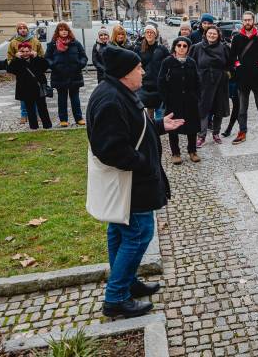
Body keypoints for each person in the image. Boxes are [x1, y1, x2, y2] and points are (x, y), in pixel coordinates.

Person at [87, 45, 184, 319]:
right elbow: (111, 148)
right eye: (138, 68)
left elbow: (132, 129)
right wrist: (142, 163)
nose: (142, 71)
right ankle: (116, 298)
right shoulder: (110, 100)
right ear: (124, 73)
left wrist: (159, 125)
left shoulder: (119, 92)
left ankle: (127, 283)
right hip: (132, 183)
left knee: (119, 232)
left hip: (131, 183)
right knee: (139, 234)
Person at [230, 11, 258, 145]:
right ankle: (242, 132)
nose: (247, 22)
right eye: (245, 20)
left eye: (249, 20)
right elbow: (232, 57)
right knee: (242, 109)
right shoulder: (237, 38)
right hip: (242, 79)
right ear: (242, 22)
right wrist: (238, 66)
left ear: (253, 21)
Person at [158, 36, 201, 164]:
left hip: (190, 100)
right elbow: (161, 81)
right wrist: (166, 98)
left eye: (184, 46)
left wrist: (196, 96)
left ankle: (192, 151)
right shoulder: (167, 62)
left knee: (192, 127)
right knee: (173, 128)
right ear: (175, 47)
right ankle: (175, 153)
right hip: (173, 100)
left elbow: (197, 81)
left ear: (188, 48)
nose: (181, 48)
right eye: (179, 45)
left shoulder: (191, 62)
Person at [190, 25, 231, 146]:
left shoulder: (223, 48)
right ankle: (201, 136)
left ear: (218, 35)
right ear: (205, 34)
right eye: (210, 33)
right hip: (203, 82)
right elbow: (191, 64)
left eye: (214, 33)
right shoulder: (197, 47)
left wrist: (227, 75)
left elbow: (230, 64)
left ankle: (216, 133)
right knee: (203, 109)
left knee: (219, 108)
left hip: (220, 82)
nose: (212, 35)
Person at [45, 22, 87, 127]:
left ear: (68, 31)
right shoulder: (53, 44)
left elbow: (83, 56)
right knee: (62, 99)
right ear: (58, 32)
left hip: (74, 75)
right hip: (60, 75)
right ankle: (63, 119)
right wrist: (54, 65)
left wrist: (80, 65)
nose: (64, 31)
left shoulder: (75, 43)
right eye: (61, 29)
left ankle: (79, 118)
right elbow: (47, 58)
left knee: (75, 99)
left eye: (65, 29)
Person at [7, 42, 52, 130]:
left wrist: (37, 57)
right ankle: (33, 126)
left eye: (27, 51)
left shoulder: (35, 59)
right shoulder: (18, 61)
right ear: (19, 52)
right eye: (23, 51)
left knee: (42, 107)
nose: (25, 53)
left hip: (38, 87)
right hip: (26, 88)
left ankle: (47, 125)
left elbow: (45, 66)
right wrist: (16, 58)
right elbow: (10, 69)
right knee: (30, 108)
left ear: (31, 51)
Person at [7, 21, 44, 124]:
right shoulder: (13, 42)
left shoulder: (35, 41)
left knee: (35, 94)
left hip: (33, 72)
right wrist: (15, 58)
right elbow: (9, 58)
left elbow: (42, 55)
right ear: (18, 30)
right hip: (21, 72)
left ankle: (36, 114)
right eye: (20, 28)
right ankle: (24, 114)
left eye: (24, 28)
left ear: (27, 30)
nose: (22, 30)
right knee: (23, 95)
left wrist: (36, 56)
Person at [134, 25, 170, 120]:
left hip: (158, 84)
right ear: (144, 34)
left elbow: (169, 63)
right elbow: (133, 64)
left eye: (151, 32)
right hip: (144, 84)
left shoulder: (162, 49)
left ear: (155, 34)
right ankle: (149, 129)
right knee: (146, 110)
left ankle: (157, 130)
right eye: (147, 32)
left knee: (159, 111)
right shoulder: (138, 48)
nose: (149, 34)